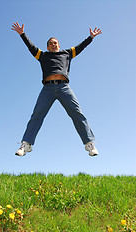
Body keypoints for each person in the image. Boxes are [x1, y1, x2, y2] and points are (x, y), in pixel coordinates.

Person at [11, 22, 102, 157]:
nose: (54, 44)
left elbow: (80, 47)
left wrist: (91, 37)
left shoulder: (67, 53)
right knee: (37, 115)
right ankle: (26, 144)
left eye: (56, 43)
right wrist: (22, 34)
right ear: (48, 46)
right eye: (51, 43)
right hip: (47, 88)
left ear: (59, 45)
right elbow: (31, 47)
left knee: (77, 113)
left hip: (64, 87)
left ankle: (89, 143)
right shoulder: (43, 55)